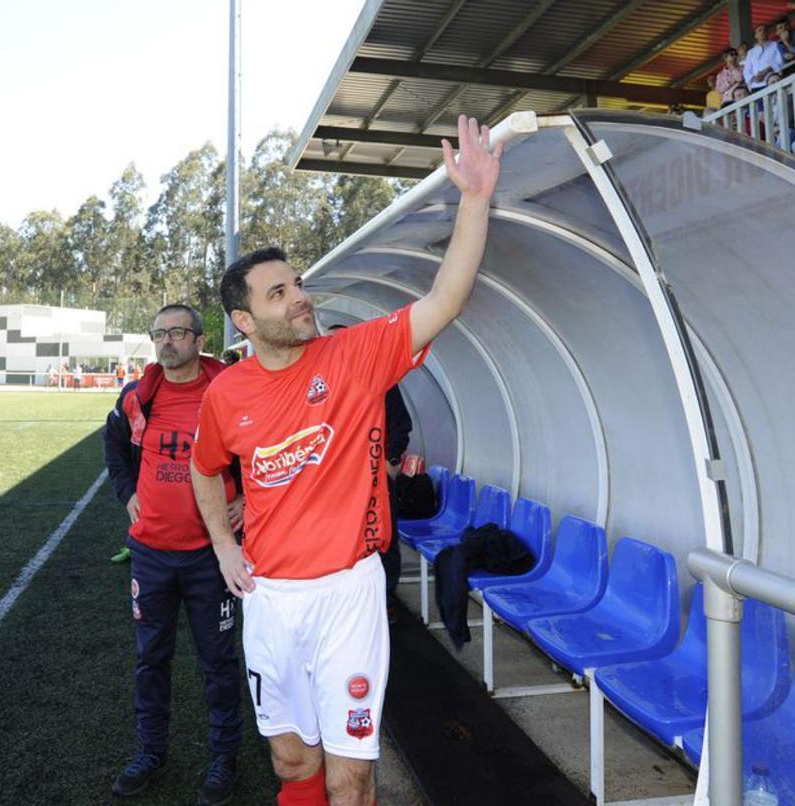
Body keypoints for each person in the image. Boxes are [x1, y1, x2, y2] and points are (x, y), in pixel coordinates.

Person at [189, 114, 501, 806]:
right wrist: (221, 544)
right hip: (270, 598)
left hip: (349, 595)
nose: (300, 296)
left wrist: (474, 198)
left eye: (296, 283)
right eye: (279, 294)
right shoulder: (226, 394)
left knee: (351, 773)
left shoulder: (355, 356)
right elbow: (204, 467)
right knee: (292, 761)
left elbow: (446, 299)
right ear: (244, 322)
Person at [102, 304, 245, 803]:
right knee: (150, 659)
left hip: (212, 556)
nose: (167, 342)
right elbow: (114, 448)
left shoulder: (228, 389)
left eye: (178, 332)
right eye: (159, 333)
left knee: (219, 663)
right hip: (152, 555)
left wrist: (247, 498)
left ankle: (224, 757)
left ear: (199, 339)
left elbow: (258, 450)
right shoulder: (137, 398)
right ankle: (150, 750)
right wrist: (127, 493)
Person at [325, 323, 414, 615]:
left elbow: (401, 425)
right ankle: (349, 600)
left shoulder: (381, 379)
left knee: (385, 538)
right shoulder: (321, 386)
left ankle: (385, 601)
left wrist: (389, 463)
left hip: (375, 479)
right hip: (338, 484)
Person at [744, 24, 786, 91]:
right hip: (756, 85)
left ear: (768, 33)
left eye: (765, 30)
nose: (763, 32)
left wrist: (768, 69)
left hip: (773, 81)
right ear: (756, 35)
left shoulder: (775, 45)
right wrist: (754, 78)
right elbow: (747, 71)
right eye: (760, 30)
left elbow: (781, 62)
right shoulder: (751, 52)